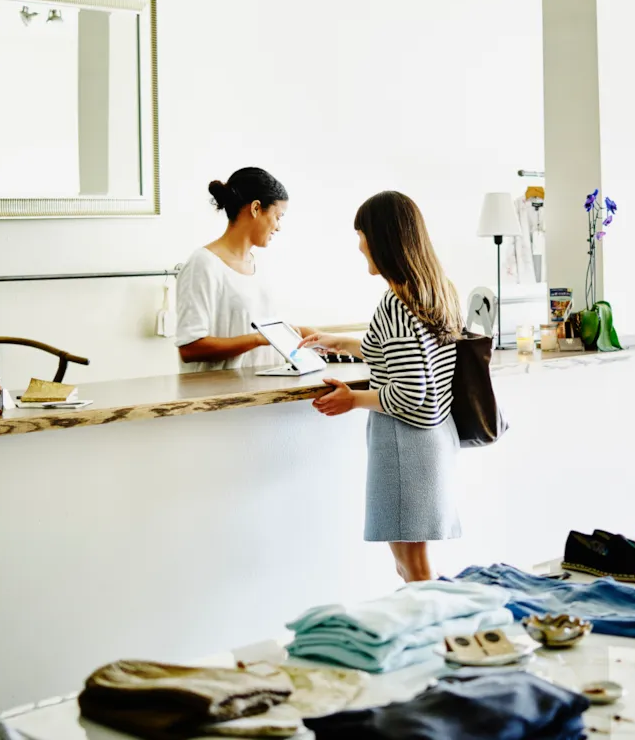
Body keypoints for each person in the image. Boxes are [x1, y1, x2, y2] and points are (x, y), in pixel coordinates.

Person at [299, 191, 463, 582]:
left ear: (382, 238)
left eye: (362, 235)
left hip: (406, 445)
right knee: (413, 563)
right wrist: (340, 342)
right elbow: (407, 356)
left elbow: (409, 393)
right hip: (433, 438)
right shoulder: (434, 292)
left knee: (413, 565)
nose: (359, 245)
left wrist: (352, 399)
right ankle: (441, 635)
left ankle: (443, 639)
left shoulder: (395, 303)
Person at [176, 166, 307, 372]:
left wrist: (312, 334)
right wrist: (257, 339)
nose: (279, 227)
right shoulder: (203, 264)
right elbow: (190, 348)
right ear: (256, 208)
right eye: (278, 216)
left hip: (268, 391)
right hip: (224, 397)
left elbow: (261, 326)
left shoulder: (260, 265)